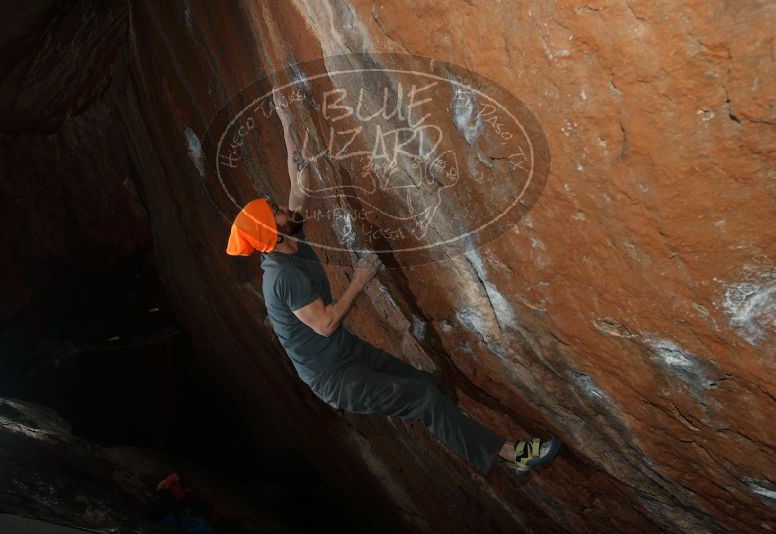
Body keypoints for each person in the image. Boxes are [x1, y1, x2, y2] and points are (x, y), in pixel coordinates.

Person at [225, 92, 560, 475]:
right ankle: (513, 456)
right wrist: (362, 279)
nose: (284, 209)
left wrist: (285, 121)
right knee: (422, 398)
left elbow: (296, 178)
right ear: (273, 233)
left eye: (275, 206)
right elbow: (325, 322)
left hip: (343, 352)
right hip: (333, 377)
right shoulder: (282, 277)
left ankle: (461, 430)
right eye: (276, 212)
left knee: (427, 383)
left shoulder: (289, 243)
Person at [150, 472, 215, 533]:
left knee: (203, 525)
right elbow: (179, 501)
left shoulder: (168, 488)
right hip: (166, 518)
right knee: (205, 527)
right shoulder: (174, 483)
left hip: (166, 517)